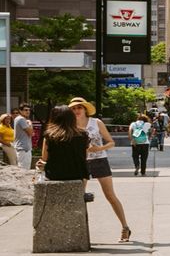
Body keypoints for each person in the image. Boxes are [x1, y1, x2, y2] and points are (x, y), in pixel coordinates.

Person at [70, 97, 131, 242]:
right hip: (81, 162)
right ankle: (78, 231)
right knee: (79, 196)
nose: (76, 110)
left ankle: (125, 227)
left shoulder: (96, 122)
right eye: (73, 108)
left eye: (79, 107)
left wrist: (99, 148)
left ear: (85, 109)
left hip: (100, 160)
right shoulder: (70, 125)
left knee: (110, 195)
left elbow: (111, 142)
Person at [38, 104, 91, 188]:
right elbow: (84, 156)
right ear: (72, 118)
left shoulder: (49, 136)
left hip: (54, 175)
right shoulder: (83, 135)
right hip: (78, 174)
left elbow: (44, 158)